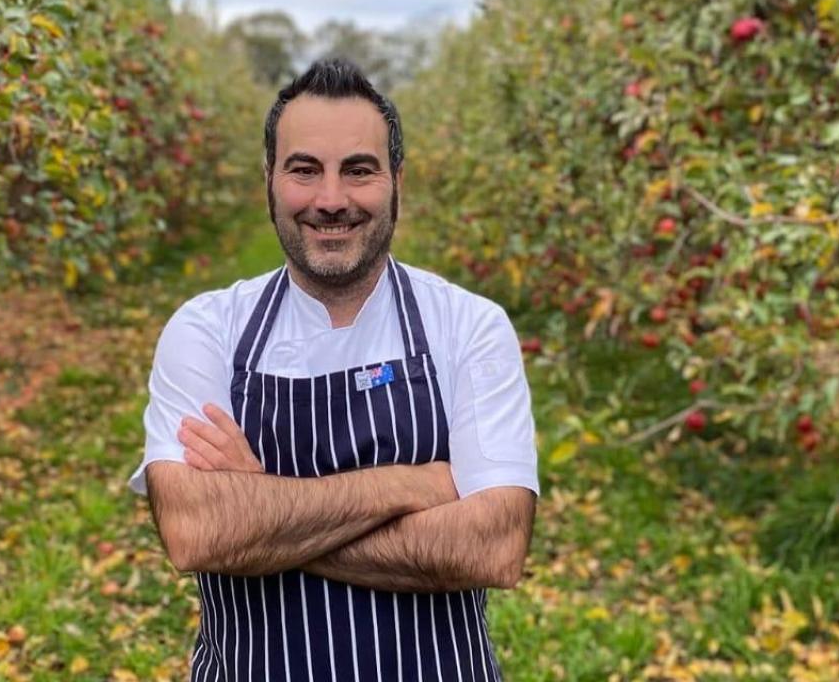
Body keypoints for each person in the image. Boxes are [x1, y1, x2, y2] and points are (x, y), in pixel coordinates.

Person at [127, 57, 540, 681]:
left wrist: (261, 512)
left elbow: (494, 547)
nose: (330, 200)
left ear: (396, 180)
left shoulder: (469, 327)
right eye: (304, 170)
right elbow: (197, 532)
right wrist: (409, 487)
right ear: (269, 180)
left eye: (359, 171)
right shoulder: (208, 329)